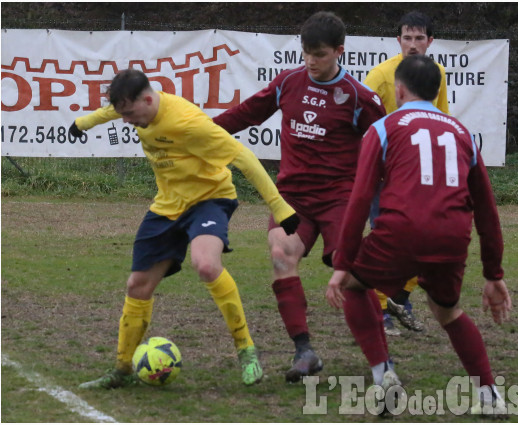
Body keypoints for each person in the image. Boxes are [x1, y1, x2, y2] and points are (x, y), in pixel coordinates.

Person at [69, 68, 300, 389]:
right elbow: (113, 110)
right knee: (137, 285)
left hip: (210, 199)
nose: (127, 121)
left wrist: (279, 206)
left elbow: (244, 158)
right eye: (123, 114)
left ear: (148, 99)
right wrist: (84, 123)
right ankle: (122, 370)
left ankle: (246, 349)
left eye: (131, 113)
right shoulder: (137, 108)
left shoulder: (189, 124)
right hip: (167, 206)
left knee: (206, 264)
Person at [326, 55, 511, 415]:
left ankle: (384, 378)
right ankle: (490, 396)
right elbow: (487, 211)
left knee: (353, 284)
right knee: (448, 311)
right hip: (452, 237)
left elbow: (361, 199)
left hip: (401, 231)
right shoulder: (461, 132)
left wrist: (342, 262)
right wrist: (493, 274)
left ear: (398, 89)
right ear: (438, 90)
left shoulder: (382, 128)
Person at [213, 11, 389, 384]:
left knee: (352, 277)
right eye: (306, 52)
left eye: (320, 54)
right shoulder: (289, 82)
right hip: (292, 198)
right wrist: (198, 131)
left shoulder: (359, 97)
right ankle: (304, 350)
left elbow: (386, 146)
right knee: (281, 256)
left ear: (339, 51)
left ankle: (381, 361)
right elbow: (246, 114)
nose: (311, 61)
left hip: (341, 198)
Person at [363, 11, 450, 337]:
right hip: (386, 176)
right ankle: (383, 310)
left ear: (430, 41)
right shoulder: (379, 76)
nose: (413, 45)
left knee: (424, 240)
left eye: (419, 38)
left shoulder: (437, 73)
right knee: (386, 241)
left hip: (422, 174)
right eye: (407, 38)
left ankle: (397, 301)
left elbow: (441, 119)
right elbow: (363, 122)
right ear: (398, 40)